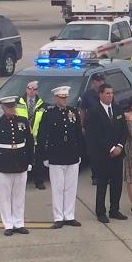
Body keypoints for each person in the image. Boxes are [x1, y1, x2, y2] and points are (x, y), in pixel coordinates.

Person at [0, 96, 34, 236]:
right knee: (5, 196)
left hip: (20, 161)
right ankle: (8, 224)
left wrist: (30, 161)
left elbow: (30, 142)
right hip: (4, 163)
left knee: (19, 195)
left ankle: (19, 223)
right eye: (8, 107)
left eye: (13, 107)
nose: (11, 110)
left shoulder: (23, 122)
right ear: (3, 108)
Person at [38, 86, 84, 229]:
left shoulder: (73, 112)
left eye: (66, 97)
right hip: (56, 155)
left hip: (71, 154)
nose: (64, 100)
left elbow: (78, 134)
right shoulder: (49, 113)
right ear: (56, 98)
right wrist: (44, 156)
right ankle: (58, 217)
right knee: (58, 188)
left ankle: (69, 215)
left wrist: (80, 153)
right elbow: (42, 135)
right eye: (62, 97)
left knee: (71, 187)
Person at [86, 83, 129, 223]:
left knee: (117, 184)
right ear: (101, 94)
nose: (110, 96)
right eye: (107, 93)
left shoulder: (117, 109)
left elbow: (124, 130)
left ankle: (114, 210)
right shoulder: (94, 111)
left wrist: (120, 146)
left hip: (118, 153)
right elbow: (94, 135)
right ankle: (101, 212)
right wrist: (111, 149)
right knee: (102, 184)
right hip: (103, 155)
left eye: (112, 93)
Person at [16, 81, 47, 190]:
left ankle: (39, 182)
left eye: (34, 89)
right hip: (22, 136)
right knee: (22, 160)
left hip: (36, 137)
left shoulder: (42, 104)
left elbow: (44, 122)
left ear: (37, 91)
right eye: (30, 88)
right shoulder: (18, 102)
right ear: (26, 89)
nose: (32, 91)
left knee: (38, 161)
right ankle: (21, 183)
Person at [79, 72, 105, 185]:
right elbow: (82, 111)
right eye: (98, 81)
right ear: (93, 82)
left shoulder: (105, 92)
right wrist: (82, 125)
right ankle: (95, 176)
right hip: (91, 127)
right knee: (93, 153)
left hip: (104, 126)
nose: (100, 83)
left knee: (104, 152)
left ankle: (104, 175)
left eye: (102, 81)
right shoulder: (87, 95)